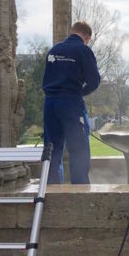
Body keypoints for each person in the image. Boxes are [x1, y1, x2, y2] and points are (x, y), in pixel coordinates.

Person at [42, 21, 101, 184]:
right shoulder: (83, 50)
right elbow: (94, 81)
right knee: (79, 148)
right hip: (71, 104)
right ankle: (80, 190)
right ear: (87, 37)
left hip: (50, 104)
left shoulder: (54, 50)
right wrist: (79, 93)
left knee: (52, 149)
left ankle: (52, 190)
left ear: (72, 31)